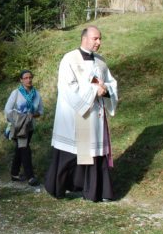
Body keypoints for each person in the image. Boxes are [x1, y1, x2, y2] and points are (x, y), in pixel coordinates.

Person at [45, 26, 118, 202]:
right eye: (95, 39)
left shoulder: (101, 61)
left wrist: (105, 90)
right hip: (76, 114)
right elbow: (67, 87)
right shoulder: (69, 59)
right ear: (85, 38)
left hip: (94, 117)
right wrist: (94, 89)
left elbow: (110, 83)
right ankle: (58, 187)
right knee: (71, 154)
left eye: (100, 39)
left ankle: (92, 192)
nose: (99, 42)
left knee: (90, 155)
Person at [4, 70, 44, 186]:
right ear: (21, 80)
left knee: (20, 149)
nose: (28, 80)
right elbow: (7, 109)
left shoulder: (36, 94)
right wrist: (19, 119)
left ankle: (14, 173)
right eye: (25, 78)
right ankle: (30, 176)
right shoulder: (16, 93)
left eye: (30, 77)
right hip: (18, 127)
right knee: (25, 149)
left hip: (29, 127)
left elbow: (40, 111)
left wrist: (31, 115)